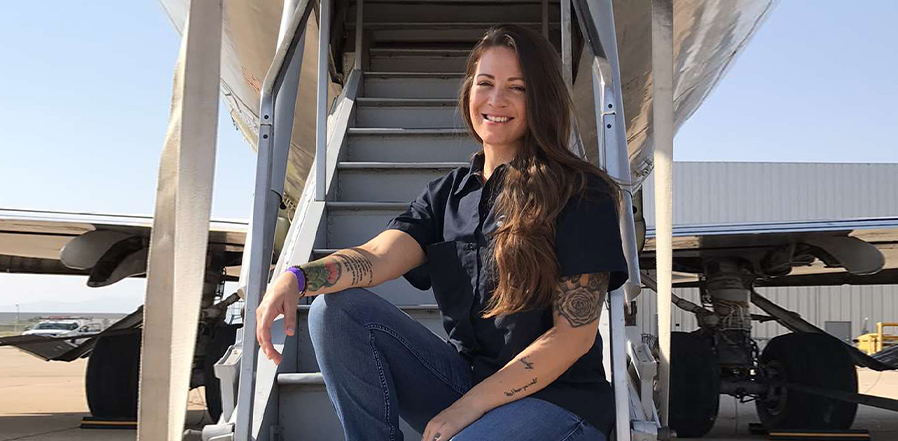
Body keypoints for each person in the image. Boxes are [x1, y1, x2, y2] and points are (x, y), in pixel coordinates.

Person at [255, 24, 628, 441]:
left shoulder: (579, 192)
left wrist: (467, 409)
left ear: (541, 99)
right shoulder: (447, 194)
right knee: (334, 312)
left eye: (517, 88)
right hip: (467, 383)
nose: (496, 100)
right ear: (469, 91)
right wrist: (298, 277)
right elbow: (378, 257)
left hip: (559, 401)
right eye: (484, 83)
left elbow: (572, 337)